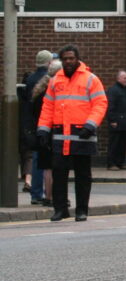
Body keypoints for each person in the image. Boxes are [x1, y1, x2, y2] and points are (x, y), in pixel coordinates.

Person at [36, 45, 107, 222]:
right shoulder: (55, 81)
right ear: (62, 60)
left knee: (83, 176)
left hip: (83, 134)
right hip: (60, 136)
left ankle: (82, 210)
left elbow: (100, 103)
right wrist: (43, 130)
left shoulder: (91, 79)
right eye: (65, 59)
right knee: (59, 174)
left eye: (71, 58)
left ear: (77, 59)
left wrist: (90, 125)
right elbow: (47, 107)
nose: (68, 61)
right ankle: (60, 210)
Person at [20, 50, 54, 205]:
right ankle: (46, 194)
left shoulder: (30, 78)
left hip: (33, 123)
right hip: (45, 124)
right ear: (48, 63)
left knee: (36, 158)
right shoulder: (48, 80)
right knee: (44, 161)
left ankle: (35, 193)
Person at [104, 70, 126, 170]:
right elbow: (110, 106)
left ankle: (120, 162)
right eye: (124, 78)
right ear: (118, 79)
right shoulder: (113, 91)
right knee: (114, 144)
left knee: (123, 144)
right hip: (117, 122)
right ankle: (111, 163)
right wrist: (112, 120)